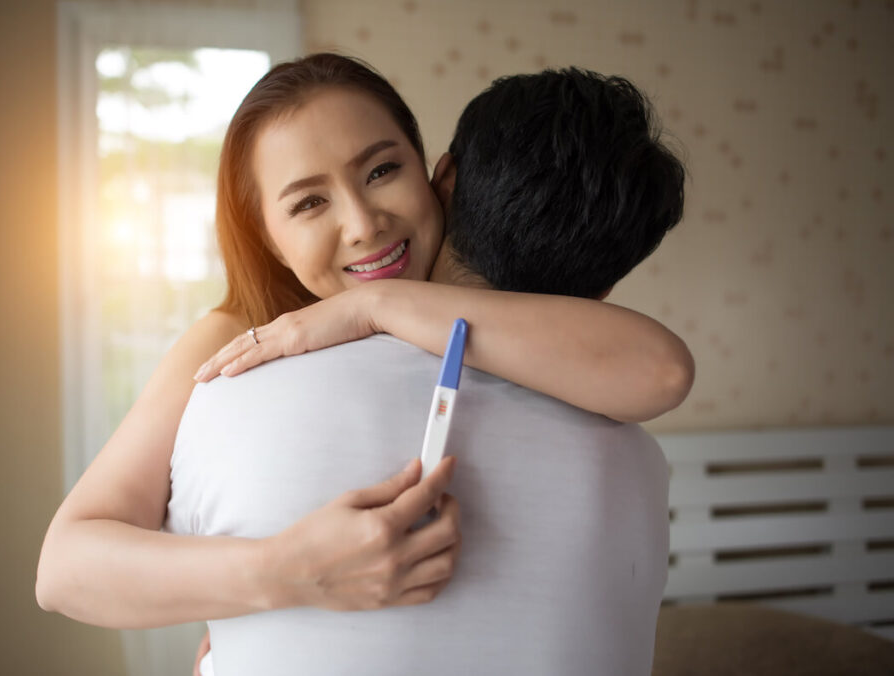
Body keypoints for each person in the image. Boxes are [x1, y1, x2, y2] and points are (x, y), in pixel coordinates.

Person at [36, 55, 691, 634]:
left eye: (380, 169)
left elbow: (659, 368)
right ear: (267, 236)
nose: (362, 223)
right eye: (308, 203)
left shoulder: (521, 326)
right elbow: (65, 569)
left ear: (435, 175)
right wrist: (284, 572)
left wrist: (374, 307)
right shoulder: (237, 338)